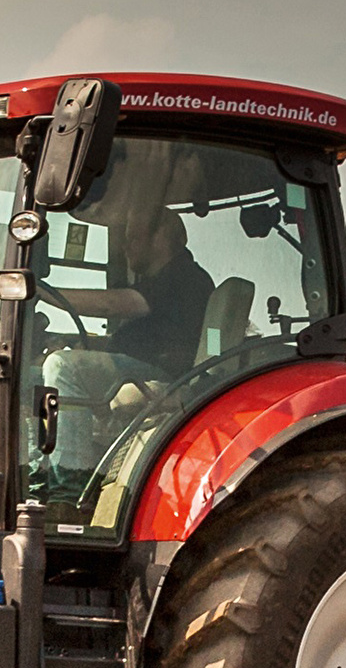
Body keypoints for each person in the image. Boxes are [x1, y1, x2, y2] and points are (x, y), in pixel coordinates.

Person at [34, 167, 215, 481]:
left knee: (63, 366)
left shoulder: (183, 276)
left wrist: (41, 291)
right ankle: (37, 471)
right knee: (34, 379)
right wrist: (69, 335)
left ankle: (68, 476)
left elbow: (116, 303)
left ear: (160, 237)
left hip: (163, 377)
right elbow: (149, 336)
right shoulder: (165, 281)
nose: (126, 245)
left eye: (132, 235)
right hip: (141, 367)